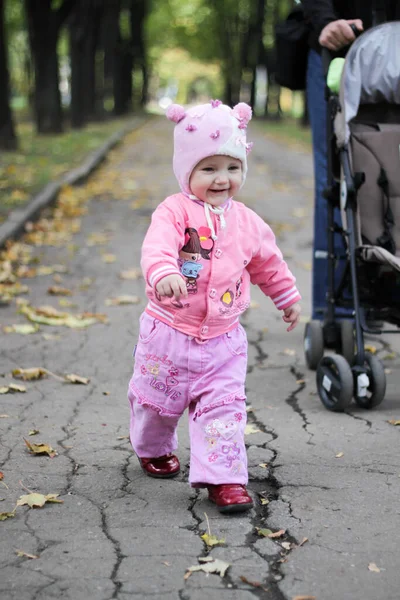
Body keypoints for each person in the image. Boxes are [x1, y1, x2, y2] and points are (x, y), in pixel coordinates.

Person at [127, 100, 301, 514]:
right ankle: (151, 448)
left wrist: (287, 297)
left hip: (223, 340)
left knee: (223, 410)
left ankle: (223, 480)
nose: (222, 179)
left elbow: (268, 265)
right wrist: (163, 272)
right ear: (187, 171)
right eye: (208, 169)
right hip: (168, 332)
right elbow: (156, 248)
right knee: (157, 404)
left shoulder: (249, 223)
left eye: (232, 167)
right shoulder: (174, 211)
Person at [302, 0, 400, 320]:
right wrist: (325, 21)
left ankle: (386, 292)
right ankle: (338, 307)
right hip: (341, 51)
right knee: (336, 177)